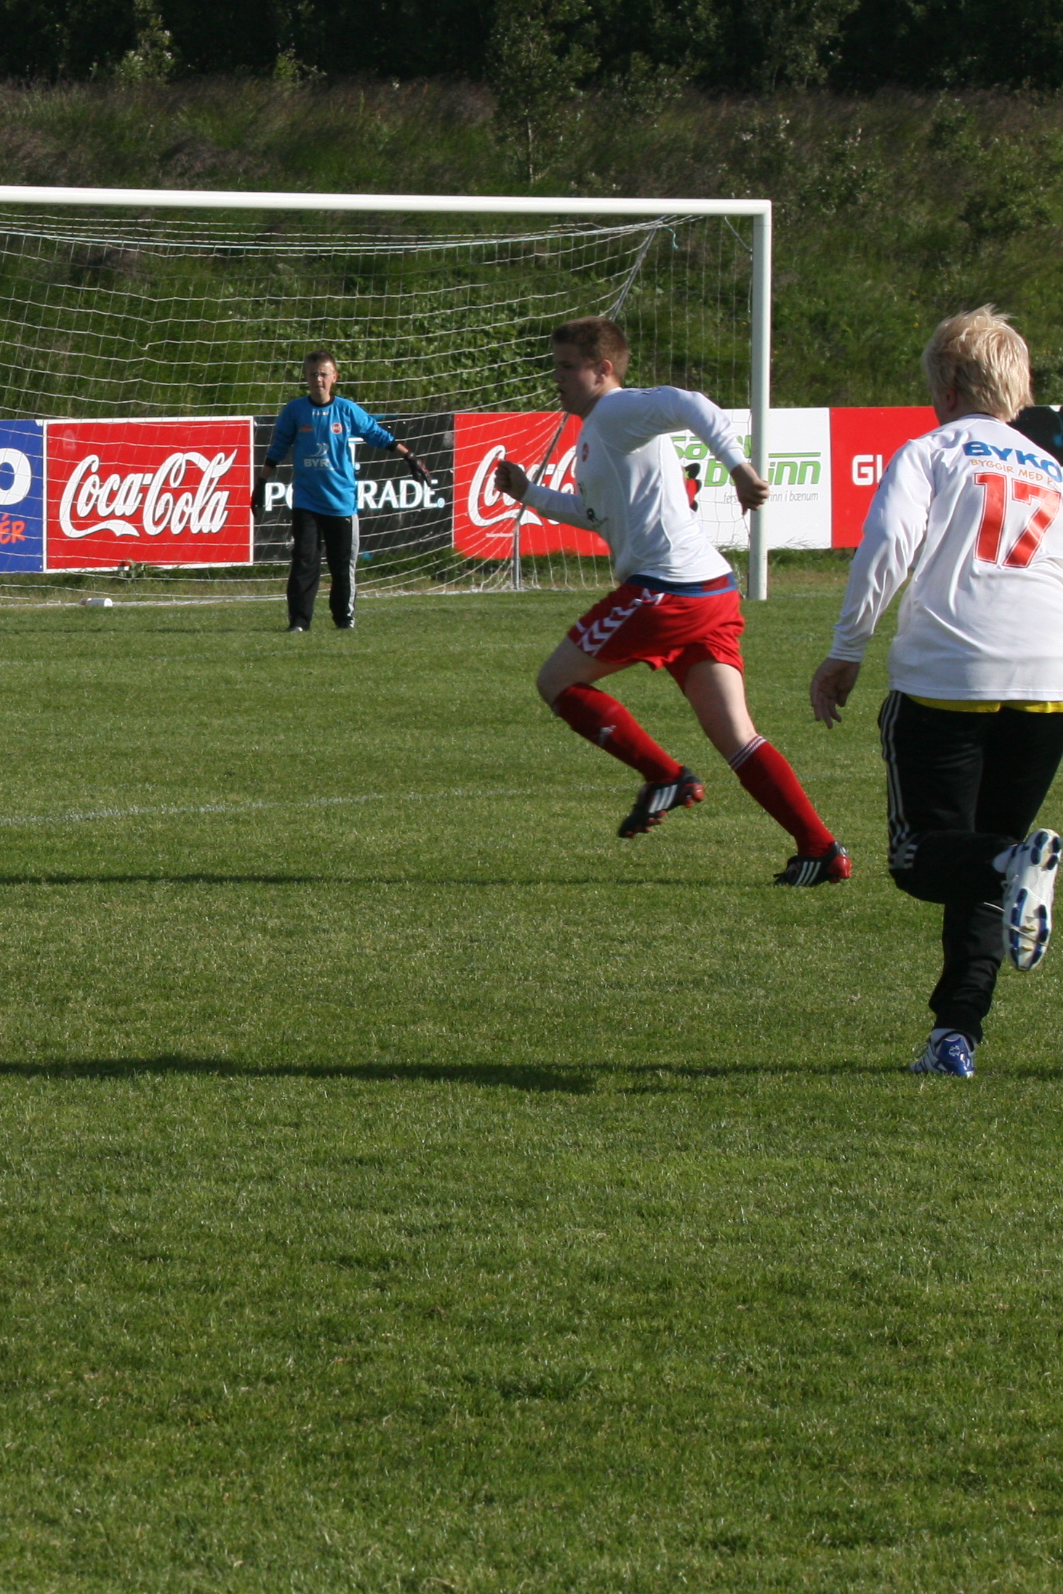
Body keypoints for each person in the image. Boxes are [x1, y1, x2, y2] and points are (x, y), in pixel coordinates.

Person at [489, 315, 848, 885]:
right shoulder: (598, 432)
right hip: (709, 590)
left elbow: (691, 403)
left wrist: (739, 468)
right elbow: (596, 515)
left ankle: (665, 776)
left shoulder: (616, 410)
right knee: (737, 737)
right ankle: (820, 850)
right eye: (555, 366)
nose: (556, 378)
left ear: (603, 369)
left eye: (567, 367)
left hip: (669, 589)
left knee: (556, 681)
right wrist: (528, 492)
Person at [810, 307, 1063, 1077]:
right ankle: (955, 1036)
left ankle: (1016, 864)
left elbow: (890, 541)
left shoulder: (932, 450)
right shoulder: (1052, 466)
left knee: (922, 860)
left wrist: (846, 649)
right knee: (988, 869)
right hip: (1047, 684)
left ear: (948, 386)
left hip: (950, 676)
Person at [258, 351, 432, 632]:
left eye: (323, 374)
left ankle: (344, 619)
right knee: (304, 561)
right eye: (313, 374)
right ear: (305, 377)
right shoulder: (295, 410)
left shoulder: (347, 410)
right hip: (306, 500)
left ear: (334, 377)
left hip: (341, 501)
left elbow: (376, 434)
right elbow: (278, 446)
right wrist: (261, 483)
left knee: (342, 565)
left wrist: (409, 456)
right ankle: (299, 621)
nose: (318, 379)